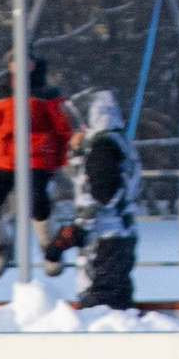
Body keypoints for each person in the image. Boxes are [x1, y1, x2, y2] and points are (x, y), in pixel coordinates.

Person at [0, 51, 73, 280]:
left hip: (37, 156)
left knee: (37, 201)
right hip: (4, 158)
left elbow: (62, 129)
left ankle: (50, 247)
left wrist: (61, 159)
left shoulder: (47, 93)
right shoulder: (1, 93)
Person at [64, 85, 139, 310]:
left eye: (78, 125)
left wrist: (77, 231)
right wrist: (77, 153)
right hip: (119, 237)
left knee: (101, 308)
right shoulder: (115, 143)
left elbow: (101, 195)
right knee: (117, 301)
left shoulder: (102, 149)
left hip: (104, 242)